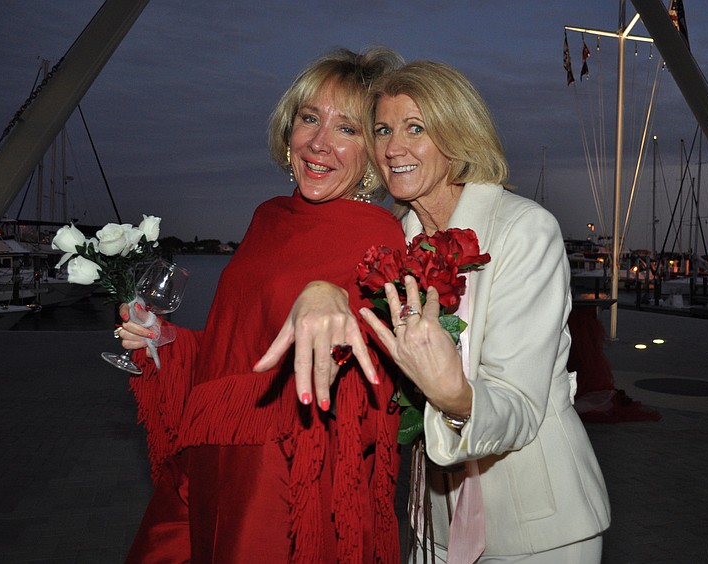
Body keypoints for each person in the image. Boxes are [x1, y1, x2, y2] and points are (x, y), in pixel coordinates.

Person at [258, 61, 611, 563]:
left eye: (415, 129)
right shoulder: (391, 242)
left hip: (540, 522)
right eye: (383, 130)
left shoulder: (524, 231)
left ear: (458, 136)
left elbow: (519, 405)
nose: (392, 148)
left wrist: (454, 397)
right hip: (433, 518)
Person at [115, 47, 407, 563]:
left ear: (371, 154)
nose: (319, 142)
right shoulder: (269, 216)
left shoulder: (378, 236)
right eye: (309, 118)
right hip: (212, 456)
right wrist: (164, 339)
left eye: (347, 129)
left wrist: (332, 305)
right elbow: (239, 345)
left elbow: (375, 378)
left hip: (284, 475)